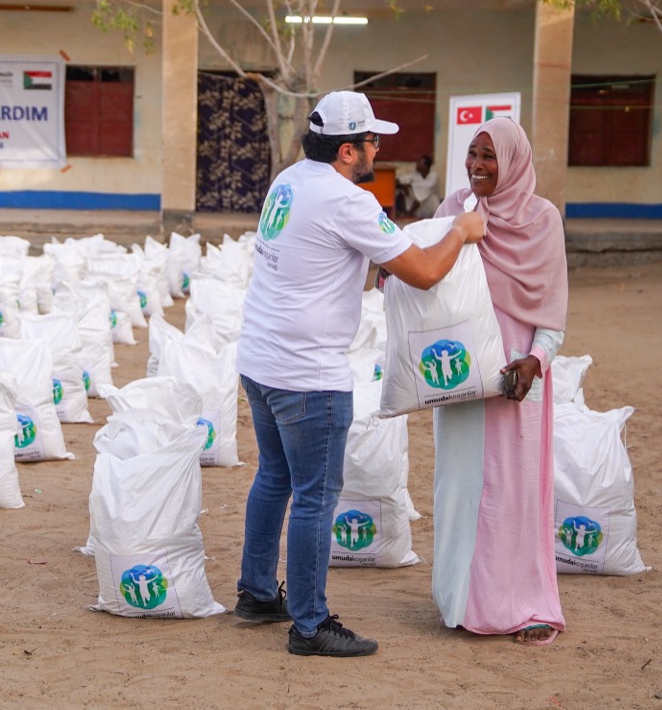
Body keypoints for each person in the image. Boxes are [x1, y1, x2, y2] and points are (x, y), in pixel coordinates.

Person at [234, 90, 485, 657]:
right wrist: (461, 232)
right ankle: (309, 624)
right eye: (373, 140)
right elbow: (421, 273)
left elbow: (339, 254)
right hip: (308, 376)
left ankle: (255, 592)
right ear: (348, 150)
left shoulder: (291, 180)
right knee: (316, 497)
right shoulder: (348, 202)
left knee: (274, 477)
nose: (379, 148)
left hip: (261, 361)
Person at [430, 117, 569, 646]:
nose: (478, 166)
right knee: (462, 488)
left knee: (514, 493)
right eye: (472, 154)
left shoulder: (542, 219)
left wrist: (536, 361)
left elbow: (552, 311)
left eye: (489, 156)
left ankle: (522, 604)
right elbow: (426, 265)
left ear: (512, 160)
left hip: (517, 378)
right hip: (463, 375)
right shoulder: (457, 210)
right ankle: (463, 604)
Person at [395, 154, 441, 219]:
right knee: (401, 192)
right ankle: (408, 213)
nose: (417, 164)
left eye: (419, 163)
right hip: (415, 201)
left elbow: (428, 185)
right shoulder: (415, 175)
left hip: (429, 201)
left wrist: (410, 185)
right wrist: (403, 187)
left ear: (426, 166)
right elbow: (401, 180)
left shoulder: (433, 175)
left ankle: (410, 212)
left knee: (428, 195)